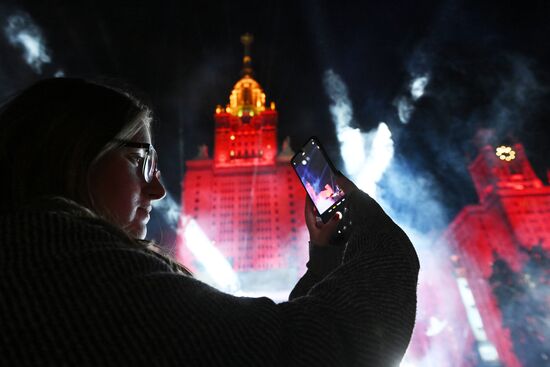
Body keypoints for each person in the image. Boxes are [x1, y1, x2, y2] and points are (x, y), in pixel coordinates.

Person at [0, 77, 419, 366]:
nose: (158, 190)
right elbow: (318, 353)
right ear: (71, 153)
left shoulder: (38, 255)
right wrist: (370, 226)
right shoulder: (74, 266)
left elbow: (255, 345)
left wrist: (325, 261)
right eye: (140, 161)